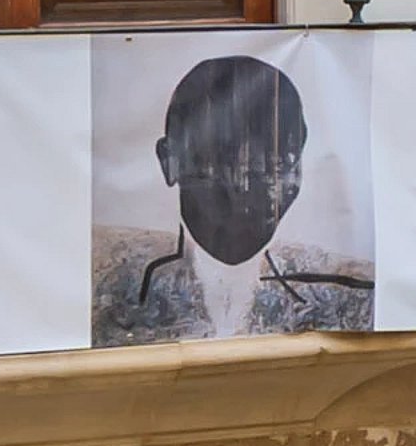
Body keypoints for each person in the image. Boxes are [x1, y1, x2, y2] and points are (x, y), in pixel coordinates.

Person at [91, 53, 373, 346]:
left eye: (278, 165)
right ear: (169, 162)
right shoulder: (110, 290)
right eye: (222, 163)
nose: (247, 191)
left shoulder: (350, 296)